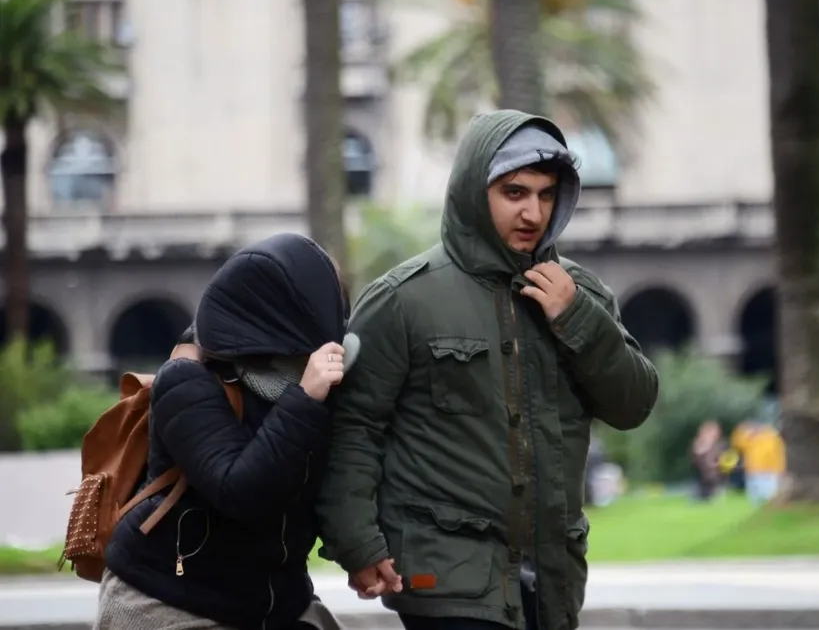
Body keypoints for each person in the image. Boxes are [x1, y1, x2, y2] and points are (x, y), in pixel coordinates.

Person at [315, 110, 660, 630]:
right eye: (515, 193)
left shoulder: (581, 296)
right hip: (445, 583)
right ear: (475, 192)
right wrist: (357, 542)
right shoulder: (401, 300)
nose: (533, 212)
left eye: (547, 195)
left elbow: (633, 404)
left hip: (552, 582)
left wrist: (577, 320)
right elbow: (354, 430)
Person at [95, 233, 350, 630]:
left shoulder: (314, 382)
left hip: (276, 603)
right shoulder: (188, 380)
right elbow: (240, 489)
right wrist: (304, 399)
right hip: (169, 601)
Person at [731, 419, 786, 504]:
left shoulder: (772, 437)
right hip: (753, 472)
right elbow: (737, 444)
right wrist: (740, 430)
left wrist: (781, 470)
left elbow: (779, 455)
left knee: (769, 497)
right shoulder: (750, 438)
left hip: (769, 473)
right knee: (755, 498)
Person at [691, 420, 725, 501]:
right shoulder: (699, 443)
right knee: (702, 494)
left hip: (715, 475)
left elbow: (720, 458)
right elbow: (697, 455)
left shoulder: (719, 444)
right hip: (702, 475)